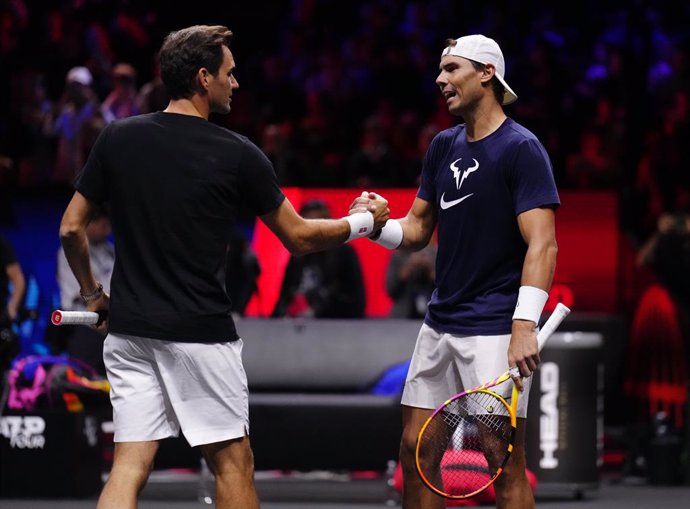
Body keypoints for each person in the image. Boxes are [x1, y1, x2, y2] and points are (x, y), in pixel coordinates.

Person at [58, 25, 388, 509]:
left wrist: (93, 296)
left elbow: (71, 228)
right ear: (203, 77)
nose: (236, 84)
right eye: (230, 74)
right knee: (233, 464)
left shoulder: (116, 138)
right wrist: (360, 223)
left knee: (130, 464)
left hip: (128, 332)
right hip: (200, 334)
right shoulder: (237, 153)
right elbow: (298, 237)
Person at [351, 34, 559, 509]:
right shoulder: (443, 146)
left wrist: (524, 325)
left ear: (487, 73)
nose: (440, 79)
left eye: (451, 69)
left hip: (493, 329)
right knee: (416, 450)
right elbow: (419, 228)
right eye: (440, 70)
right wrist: (376, 227)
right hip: (440, 324)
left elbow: (543, 244)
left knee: (501, 461)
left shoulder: (521, 148)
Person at [271, 199, 366, 319]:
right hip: (295, 322)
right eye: (307, 222)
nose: (313, 228)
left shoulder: (343, 253)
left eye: (316, 222)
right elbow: (285, 293)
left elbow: (355, 296)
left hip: (333, 322)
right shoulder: (298, 253)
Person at [54, 206, 114, 374]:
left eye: (108, 225)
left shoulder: (110, 250)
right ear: (88, 224)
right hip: (83, 324)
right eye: (103, 225)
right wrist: (103, 299)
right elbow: (80, 293)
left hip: (111, 327)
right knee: (84, 383)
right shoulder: (70, 251)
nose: (107, 229)